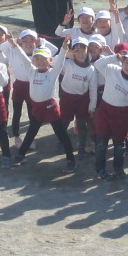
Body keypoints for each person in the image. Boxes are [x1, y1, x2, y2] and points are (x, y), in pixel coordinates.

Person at [11, 42, 78, 170]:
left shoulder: (53, 72)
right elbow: (21, 56)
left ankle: (71, 159)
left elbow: (61, 59)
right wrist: (12, 43)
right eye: (37, 58)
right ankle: (21, 155)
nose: (40, 61)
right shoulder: (31, 71)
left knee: (61, 134)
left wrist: (64, 47)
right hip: (37, 107)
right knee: (31, 132)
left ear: (50, 60)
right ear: (33, 60)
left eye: (43, 58)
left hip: (50, 108)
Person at [93, 49, 128, 180]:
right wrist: (114, 57)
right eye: (126, 62)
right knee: (101, 144)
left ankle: (118, 169)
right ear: (122, 61)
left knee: (119, 146)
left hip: (121, 117)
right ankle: (100, 169)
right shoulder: (112, 69)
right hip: (104, 112)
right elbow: (98, 64)